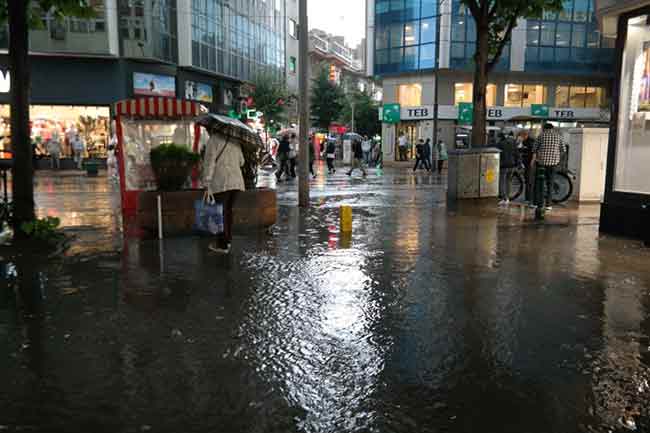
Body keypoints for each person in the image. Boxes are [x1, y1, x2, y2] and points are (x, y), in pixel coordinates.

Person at [203, 131, 245, 254]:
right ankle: (227, 240)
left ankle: (222, 244)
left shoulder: (213, 140)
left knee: (220, 213)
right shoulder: (234, 140)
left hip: (221, 182)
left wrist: (206, 181)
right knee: (228, 211)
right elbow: (242, 162)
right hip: (236, 182)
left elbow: (209, 162)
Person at [534, 123, 565, 211]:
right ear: (552, 128)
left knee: (539, 183)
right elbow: (563, 150)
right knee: (550, 183)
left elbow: (534, 149)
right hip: (553, 163)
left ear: (544, 128)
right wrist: (558, 159)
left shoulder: (541, 136)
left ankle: (538, 204)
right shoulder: (558, 136)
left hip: (542, 163)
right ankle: (548, 204)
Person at [497, 132, 518, 205]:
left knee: (502, 182)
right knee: (508, 182)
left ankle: (503, 198)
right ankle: (508, 198)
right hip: (512, 165)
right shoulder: (513, 143)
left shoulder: (500, 144)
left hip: (503, 165)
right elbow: (516, 153)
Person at [517, 130, 536, 202]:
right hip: (526, 163)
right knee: (527, 180)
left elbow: (534, 153)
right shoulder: (524, 142)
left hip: (530, 164)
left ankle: (529, 198)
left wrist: (532, 162)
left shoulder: (531, 142)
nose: (520, 138)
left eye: (521, 136)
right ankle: (527, 197)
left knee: (529, 181)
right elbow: (521, 149)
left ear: (525, 135)